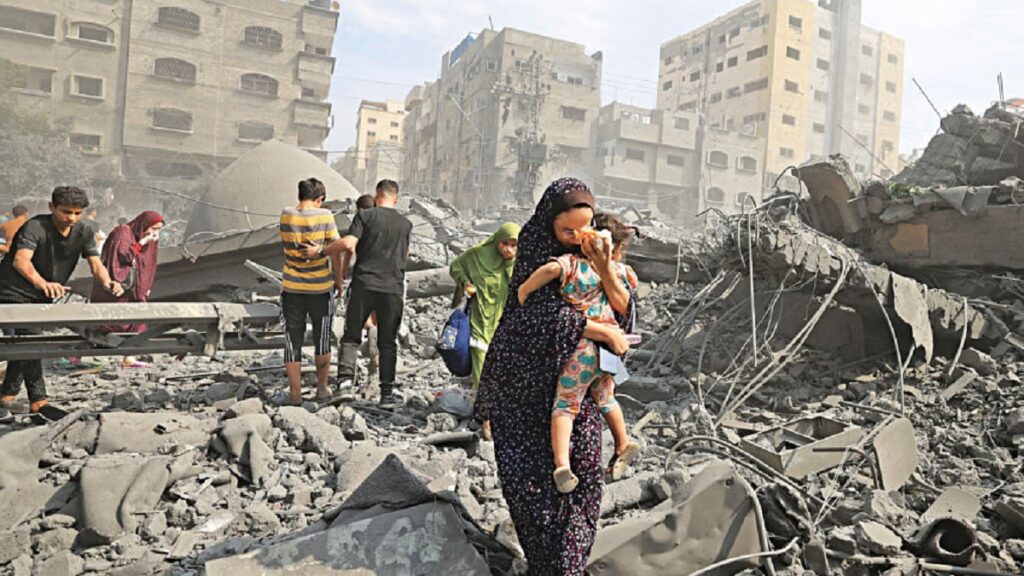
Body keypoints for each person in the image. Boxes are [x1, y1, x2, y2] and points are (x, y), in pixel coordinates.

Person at [476, 178, 634, 575]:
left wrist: (604, 267)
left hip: (579, 390)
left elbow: (624, 309)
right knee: (532, 491)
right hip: (525, 395)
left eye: (585, 227)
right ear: (550, 223)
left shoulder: (599, 258)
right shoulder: (537, 253)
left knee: (585, 482)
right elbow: (529, 313)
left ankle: (568, 566)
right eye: (567, 231)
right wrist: (600, 331)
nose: (577, 238)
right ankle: (546, 565)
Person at [517, 213, 641, 493]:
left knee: (565, 405)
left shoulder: (571, 266)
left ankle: (562, 464)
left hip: (582, 348)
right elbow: (629, 294)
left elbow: (549, 271)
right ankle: (622, 442)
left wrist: (524, 291)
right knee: (606, 398)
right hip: (611, 348)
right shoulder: (621, 271)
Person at [0, 186, 124, 418]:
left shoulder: (84, 231)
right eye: (66, 212)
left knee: (24, 342)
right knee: (31, 339)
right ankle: (38, 402)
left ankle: (6, 396)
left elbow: (96, 264)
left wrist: (108, 282)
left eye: (77, 213)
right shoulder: (35, 226)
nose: (72, 218)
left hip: (41, 294)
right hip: (12, 290)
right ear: (52, 207)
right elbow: (20, 260)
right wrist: (43, 283)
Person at [303, 179, 411, 407]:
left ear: (377, 195)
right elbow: (405, 254)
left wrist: (320, 251)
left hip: (364, 285)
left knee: (351, 336)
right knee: (388, 342)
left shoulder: (365, 216)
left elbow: (348, 244)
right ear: (396, 198)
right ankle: (387, 395)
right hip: (392, 289)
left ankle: (344, 385)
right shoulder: (406, 224)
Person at [278, 178, 343, 405]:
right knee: (322, 339)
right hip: (320, 289)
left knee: (292, 340)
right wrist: (338, 280)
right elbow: (336, 250)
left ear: (300, 195)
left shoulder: (286, 215)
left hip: (292, 288)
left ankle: (295, 395)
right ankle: (322, 389)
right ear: (319, 199)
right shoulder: (325, 216)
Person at [448, 222, 520, 389]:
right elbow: (456, 267)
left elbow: (518, 284)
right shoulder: (477, 254)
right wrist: (465, 282)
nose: (508, 249)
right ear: (497, 240)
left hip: (503, 316)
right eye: (504, 243)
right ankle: (481, 399)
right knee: (480, 354)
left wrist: (510, 262)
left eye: (513, 245)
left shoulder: (520, 261)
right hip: (479, 315)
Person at [89, 210, 165, 368]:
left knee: (137, 320)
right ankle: (83, 355)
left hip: (132, 290)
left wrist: (145, 286)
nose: (155, 233)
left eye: (159, 230)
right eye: (153, 228)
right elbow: (122, 256)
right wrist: (143, 242)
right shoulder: (123, 232)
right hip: (114, 287)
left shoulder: (148, 238)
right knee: (106, 322)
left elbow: (148, 263)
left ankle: (129, 357)